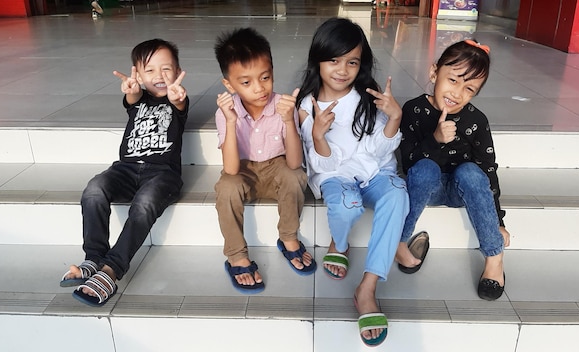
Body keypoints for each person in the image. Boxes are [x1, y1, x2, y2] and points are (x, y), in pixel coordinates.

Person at [296, 17, 408, 347]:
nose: (343, 69)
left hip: (375, 172)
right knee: (347, 205)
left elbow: (377, 150)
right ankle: (339, 243)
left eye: (352, 61)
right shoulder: (308, 106)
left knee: (398, 194)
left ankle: (368, 287)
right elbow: (322, 164)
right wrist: (317, 134)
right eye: (334, 60)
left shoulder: (369, 99)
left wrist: (394, 118)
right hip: (335, 175)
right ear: (318, 59)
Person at [59, 38, 189, 307]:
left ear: (177, 72)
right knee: (94, 189)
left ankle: (111, 270)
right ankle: (93, 259)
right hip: (126, 169)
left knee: (144, 205)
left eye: (167, 69)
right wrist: (131, 90)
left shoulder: (177, 102)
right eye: (149, 70)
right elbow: (132, 97)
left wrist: (179, 98)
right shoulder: (137, 99)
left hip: (162, 173)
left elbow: (179, 104)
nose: (159, 76)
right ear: (138, 75)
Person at [396, 39, 511, 301]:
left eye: (469, 88)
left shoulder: (476, 120)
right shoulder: (414, 110)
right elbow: (409, 163)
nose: (457, 93)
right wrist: (435, 139)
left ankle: (494, 257)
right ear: (434, 73)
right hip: (429, 187)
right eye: (453, 80)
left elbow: (488, 170)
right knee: (424, 168)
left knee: (471, 171)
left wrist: (498, 221)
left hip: (463, 189)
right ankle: (400, 242)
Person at [213, 27, 316, 295]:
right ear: (229, 84)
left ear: (272, 71)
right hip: (243, 170)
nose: (259, 88)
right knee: (226, 187)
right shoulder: (226, 112)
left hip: (276, 167)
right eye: (246, 82)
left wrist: (287, 121)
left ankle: (289, 237)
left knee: (296, 177)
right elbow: (231, 169)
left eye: (265, 77)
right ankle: (236, 254)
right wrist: (232, 121)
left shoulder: (283, 104)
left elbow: (294, 163)